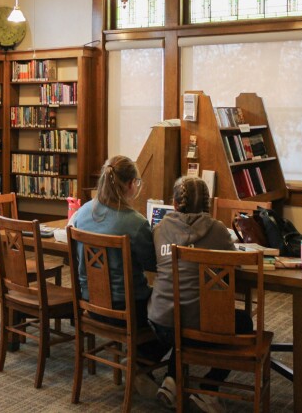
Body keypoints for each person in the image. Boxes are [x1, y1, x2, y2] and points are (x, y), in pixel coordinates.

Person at [147, 176, 253, 413]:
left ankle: (172, 381)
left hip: (161, 323)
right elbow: (233, 266)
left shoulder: (160, 228)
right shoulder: (217, 230)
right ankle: (209, 388)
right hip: (198, 327)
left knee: (182, 313)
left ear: (174, 203)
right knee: (243, 321)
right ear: (207, 204)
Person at [70, 155, 166, 396]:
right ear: (131, 184)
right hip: (128, 311)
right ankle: (141, 365)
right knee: (171, 311)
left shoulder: (81, 213)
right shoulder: (135, 223)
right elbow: (152, 264)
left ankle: (139, 365)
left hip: (90, 304)